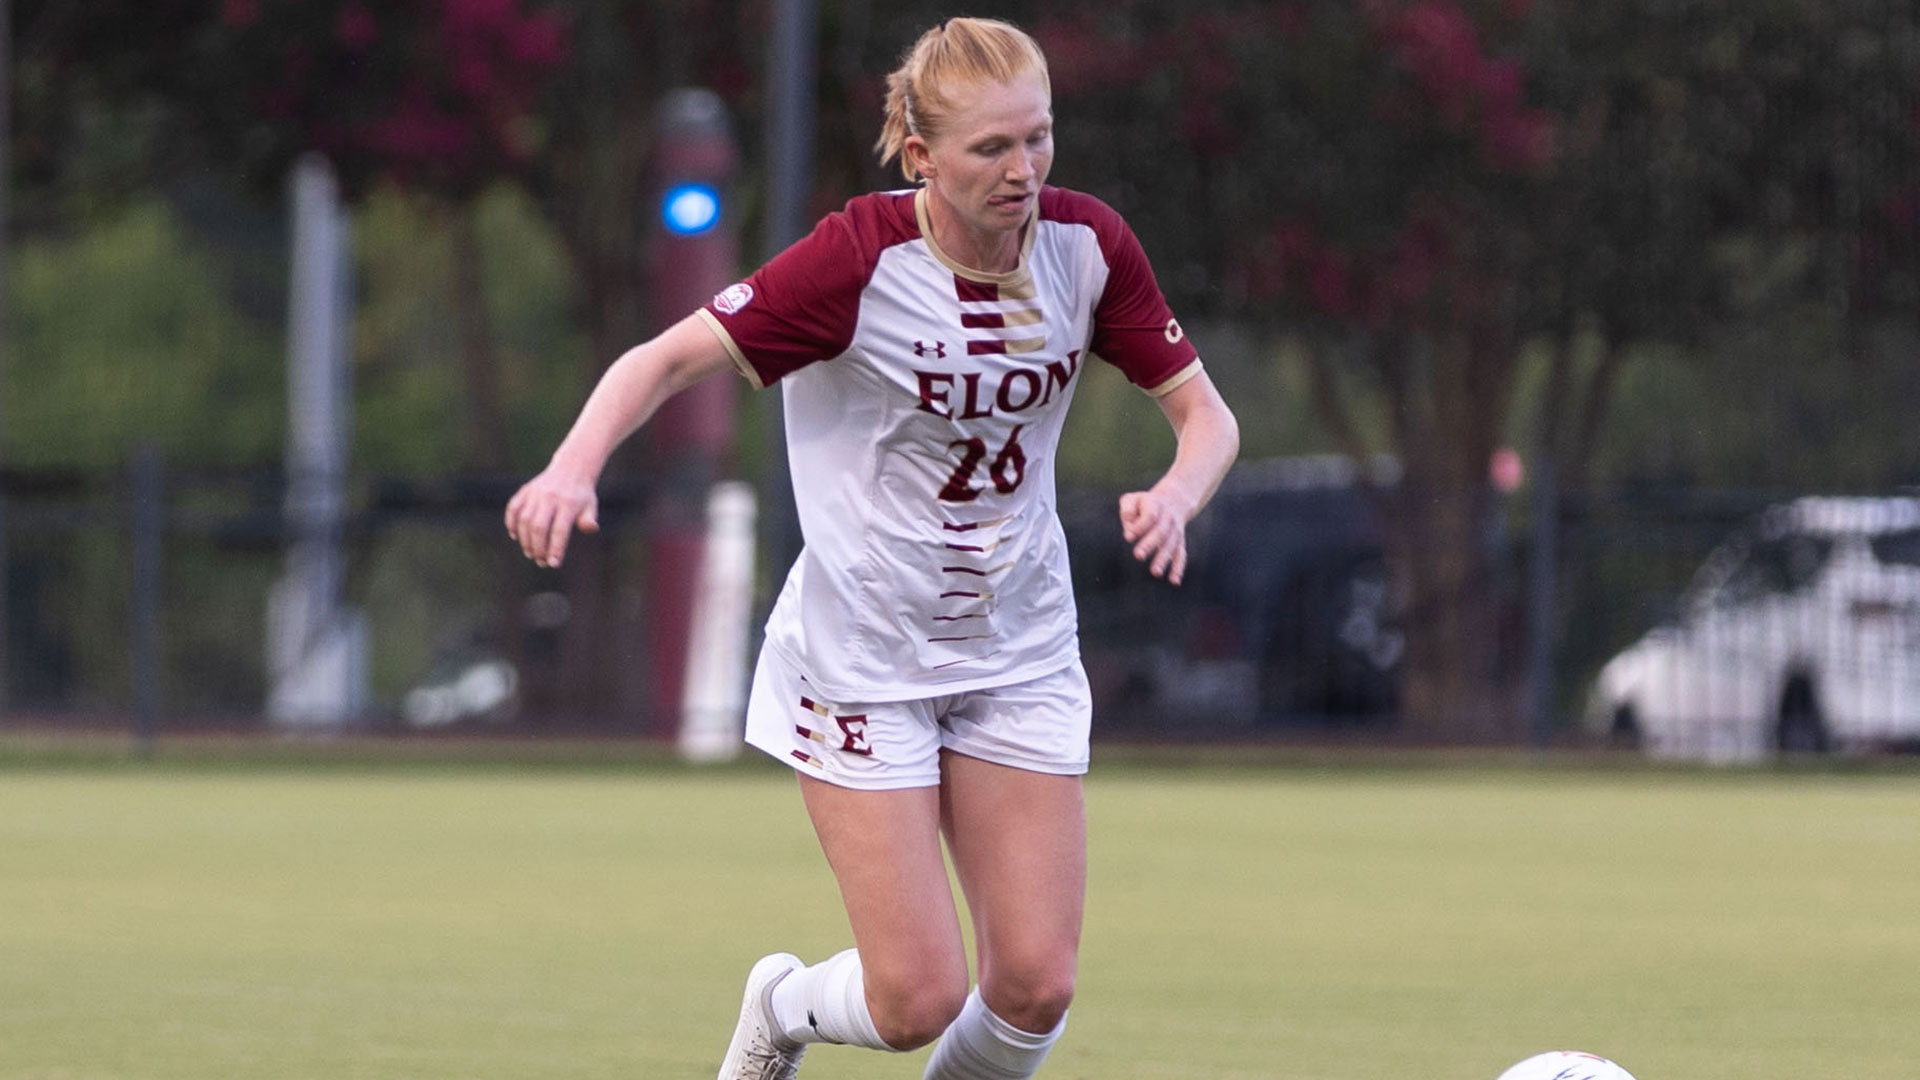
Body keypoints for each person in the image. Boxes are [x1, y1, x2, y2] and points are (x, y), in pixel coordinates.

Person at [504, 16, 1239, 1080]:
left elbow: (1207, 418)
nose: (1022, 169)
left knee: (1034, 985)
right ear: (921, 154)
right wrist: (572, 467)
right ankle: (782, 1007)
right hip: (863, 660)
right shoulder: (855, 259)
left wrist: (1177, 494)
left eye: (1037, 138)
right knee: (917, 999)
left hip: (1016, 645)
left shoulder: (1090, 247)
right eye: (991, 148)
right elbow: (659, 362)